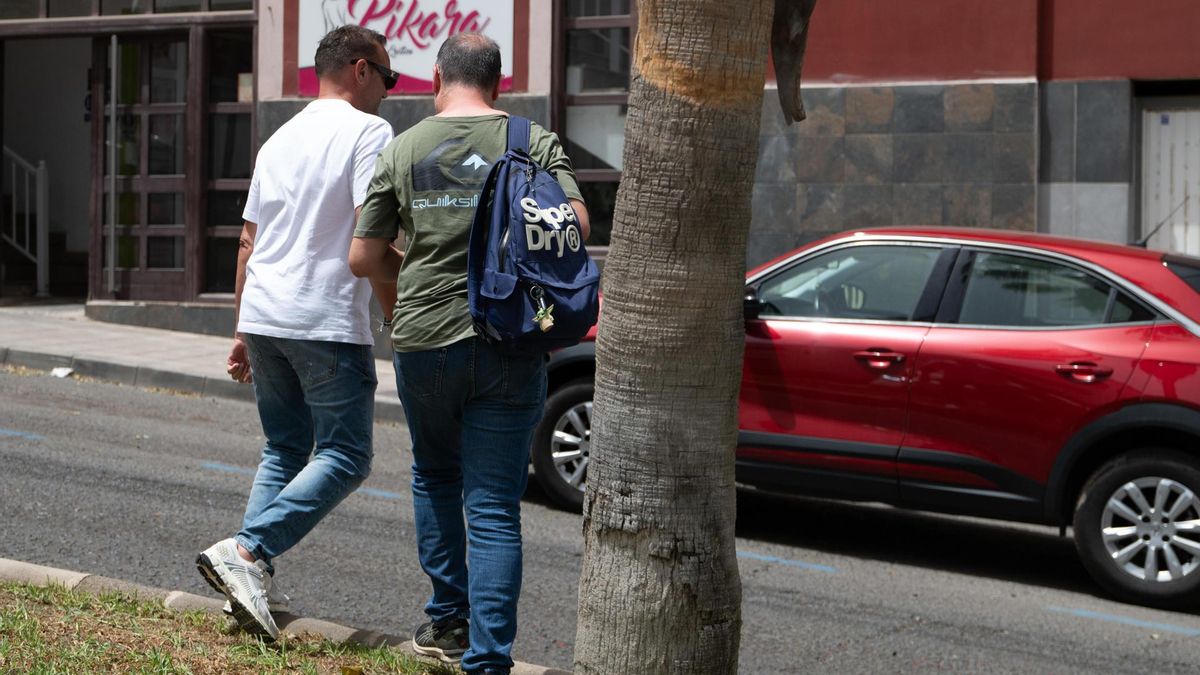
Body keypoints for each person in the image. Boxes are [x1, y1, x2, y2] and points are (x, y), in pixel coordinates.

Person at [349, 32, 588, 675]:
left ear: (435, 77)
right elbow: (578, 225)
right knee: (492, 503)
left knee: (434, 474)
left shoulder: (403, 148)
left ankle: (448, 617)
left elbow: (363, 256)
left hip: (425, 335)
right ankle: (488, 659)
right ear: (500, 83)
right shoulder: (528, 140)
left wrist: (420, 260)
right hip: (510, 335)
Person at [195, 25, 399, 641]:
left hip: (264, 313)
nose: (389, 92)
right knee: (346, 455)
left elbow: (248, 240)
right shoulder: (370, 133)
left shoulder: (278, 138)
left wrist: (240, 328)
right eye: (387, 78)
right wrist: (402, 303)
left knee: (284, 449)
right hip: (324, 319)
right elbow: (373, 229)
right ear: (361, 69)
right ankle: (249, 553)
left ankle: (245, 580)